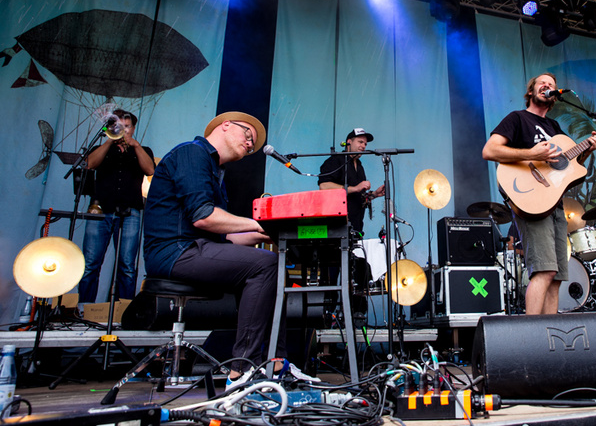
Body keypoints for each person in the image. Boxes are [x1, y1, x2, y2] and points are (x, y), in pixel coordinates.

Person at [143, 112, 286, 382]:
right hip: (175, 252)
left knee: (271, 264)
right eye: (248, 136)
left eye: (253, 146)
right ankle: (244, 368)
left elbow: (228, 239)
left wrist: (270, 235)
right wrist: (256, 224)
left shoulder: (215, 175)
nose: (249, 145)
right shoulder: (191, 153)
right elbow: (203, 216)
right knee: (266, 265)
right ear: (226, 125)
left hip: (197, 248)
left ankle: (275, 363)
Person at [482, 73, 596, 315]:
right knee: (544, 270)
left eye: (552, 86)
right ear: (531, 92)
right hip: (532, 201)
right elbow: (490, 150)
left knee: (557, 275)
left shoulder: (555, 128)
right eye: (542, 84)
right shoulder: (517, 118)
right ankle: (533, 336)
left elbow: (571, 165)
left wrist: (589, 148)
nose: (547, 87)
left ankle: (551, 334)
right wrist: (532, 155)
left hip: (555, 203)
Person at [78, 109, 155, 304]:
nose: (123, 130)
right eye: (119, 126)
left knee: (127, 266)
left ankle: (124, 312)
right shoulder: (101, 147)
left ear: (133, 128)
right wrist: (109, 141)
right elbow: (89, 164)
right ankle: (84, 308)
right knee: (90, 264)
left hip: (131, 212)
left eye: (126, 127)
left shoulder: (143, 149)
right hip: (100, 210)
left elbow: (150, 170)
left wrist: (135, 146)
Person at [318, 128, 385, 235]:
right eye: (360, 142)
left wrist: (374, 194)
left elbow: (358, 197)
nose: (363, 146)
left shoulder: (359, 166)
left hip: (356, 228)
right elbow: (324, 186)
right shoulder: (335, 160)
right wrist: (355, 188)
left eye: (365, 144)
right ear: (349, 142)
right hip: (337, 228)